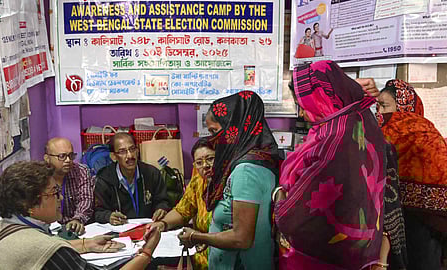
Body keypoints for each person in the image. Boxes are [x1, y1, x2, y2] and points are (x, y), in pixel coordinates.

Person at [274, 60, 388, 269]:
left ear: (321, 99)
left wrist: (279, 196)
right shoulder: (361, 121)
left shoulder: (332, 140)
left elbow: (289, 218)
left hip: (318, 259)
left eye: (303, 106)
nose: (301, 114)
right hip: (357, 252)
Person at [0, 161, 161, 270]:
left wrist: (86, 244)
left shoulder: (2, 225)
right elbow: (47, 251)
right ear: (30, 205)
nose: (61, 198)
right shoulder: (45, 249)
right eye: (54, 193)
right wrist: (147, 252)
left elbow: (40, 251)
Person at [178, 91, 279, 270]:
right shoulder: (257, 159)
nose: (213, 140)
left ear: (234, 127)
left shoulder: (246, 171)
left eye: (214, 132)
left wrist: (196, 237)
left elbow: (241, 238)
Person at [376, 79, 447, 270]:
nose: (380, 113)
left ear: (404, 107)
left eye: (384, 106)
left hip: (424, 219)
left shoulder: (419, 130)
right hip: (401, 215)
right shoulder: (428, 130)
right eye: (378, 107)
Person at [148, 137, 214, 270]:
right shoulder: (198, 182)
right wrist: (162, 224)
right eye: (199, 162)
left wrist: (200, 238)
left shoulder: (231, 183)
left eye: (210, 159)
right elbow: (182, 211)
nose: (205, 166)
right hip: (198, 255)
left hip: (219, 254)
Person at [94, 132, 169, 225]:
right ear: (113, 156)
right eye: (122, 151)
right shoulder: (104, 179)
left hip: (149, 228)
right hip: (119, 231)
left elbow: (163, 200)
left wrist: (161, 208)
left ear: (137, 151)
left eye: (132, 149)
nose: (130, 155)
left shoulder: (152, 173)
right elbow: (97, 212)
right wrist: (108, 216)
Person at [44, 137, 95, 235]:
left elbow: (85, 200)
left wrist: (77, 219)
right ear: (47, 158)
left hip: (76, 228)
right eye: (62, 156)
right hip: (49, 231)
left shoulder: (81, 171)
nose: (68, 160)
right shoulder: (40, 177)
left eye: (71, 155)